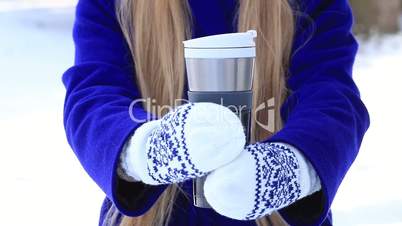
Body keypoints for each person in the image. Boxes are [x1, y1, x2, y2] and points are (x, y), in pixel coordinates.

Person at [62, 0, 370, 225]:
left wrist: (290, 168)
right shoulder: (114, 4)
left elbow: (331, 96)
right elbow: (93, 95)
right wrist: (148, 151)